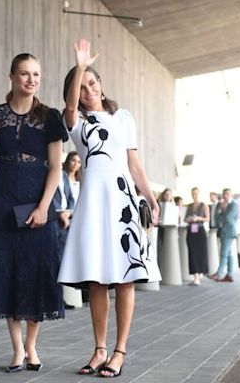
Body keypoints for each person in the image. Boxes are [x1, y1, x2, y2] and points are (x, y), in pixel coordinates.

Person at [57, 39, 161, 378]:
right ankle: (99, 349)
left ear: (101, 83)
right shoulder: (75, 121)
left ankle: (119, 351)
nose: (88, 88)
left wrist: (151, 197)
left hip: (123, 201)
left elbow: (135, 166)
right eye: (82, 84)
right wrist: (80, 65)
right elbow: (71, 107)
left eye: (92, 81)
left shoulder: (123, 118)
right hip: (93, 205)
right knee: (98, 280)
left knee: (125, 279)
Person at [0, 53, 67, 373]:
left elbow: (56, 167)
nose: (31, 79)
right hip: (2, 200)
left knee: (35, 273)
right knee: (6, 272)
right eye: (25, 74)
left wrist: (43, 207)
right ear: (12, 76)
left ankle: (32, 347)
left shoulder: (50, 117)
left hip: (38, 200)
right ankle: (16, 349)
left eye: (36, 75)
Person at [53, 151, 83, 308]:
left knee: (62, 262)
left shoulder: (64, 176)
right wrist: (60, 214)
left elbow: (71, 198)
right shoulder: (48, 173)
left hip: (65, 223)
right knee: (53, 261)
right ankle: (55, 300)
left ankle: (60, 300)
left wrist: (68, 213)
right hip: (54, 221)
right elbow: (50, 196)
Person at [208, 188, 239, 282]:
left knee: (224, 253)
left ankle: (219, 273)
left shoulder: (234, 205)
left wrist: (223, 209)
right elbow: (217, 218)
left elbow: (228, 218)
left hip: (229, 232)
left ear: (231, 195)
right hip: (223, 232)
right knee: (229, 254)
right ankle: (229, 275)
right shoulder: (221, 206)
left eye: (227, 194)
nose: (225, 196)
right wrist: (220, 210)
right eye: (224, 194)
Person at [184, 187, 210, 285]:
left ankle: (199, 274)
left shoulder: (204, 205)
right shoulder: (189, 206)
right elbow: (185, 219)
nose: (194, 195)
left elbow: (207, 218)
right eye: (193, 193)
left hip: (200, 231)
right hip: (191, 231)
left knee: (201, 253)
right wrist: (190, 219)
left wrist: (198, 218)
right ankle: (195, 276)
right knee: (192, 253)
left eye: (196, 193)